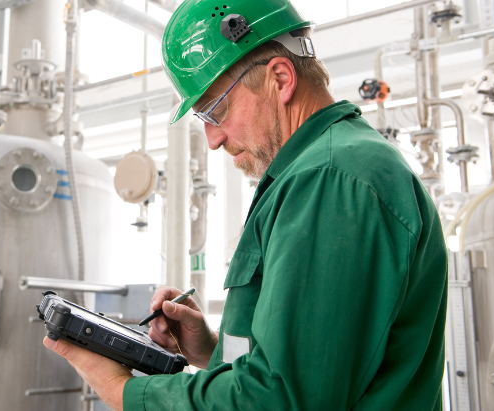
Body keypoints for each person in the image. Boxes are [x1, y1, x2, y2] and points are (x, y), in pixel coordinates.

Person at [44, 0, 448, 409]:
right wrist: (208, 350)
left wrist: (120, 388)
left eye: (215, 111)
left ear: (280, 78)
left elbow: (280, 399)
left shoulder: (330, 177)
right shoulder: (322, 169)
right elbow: (310, 367)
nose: (213, 140)